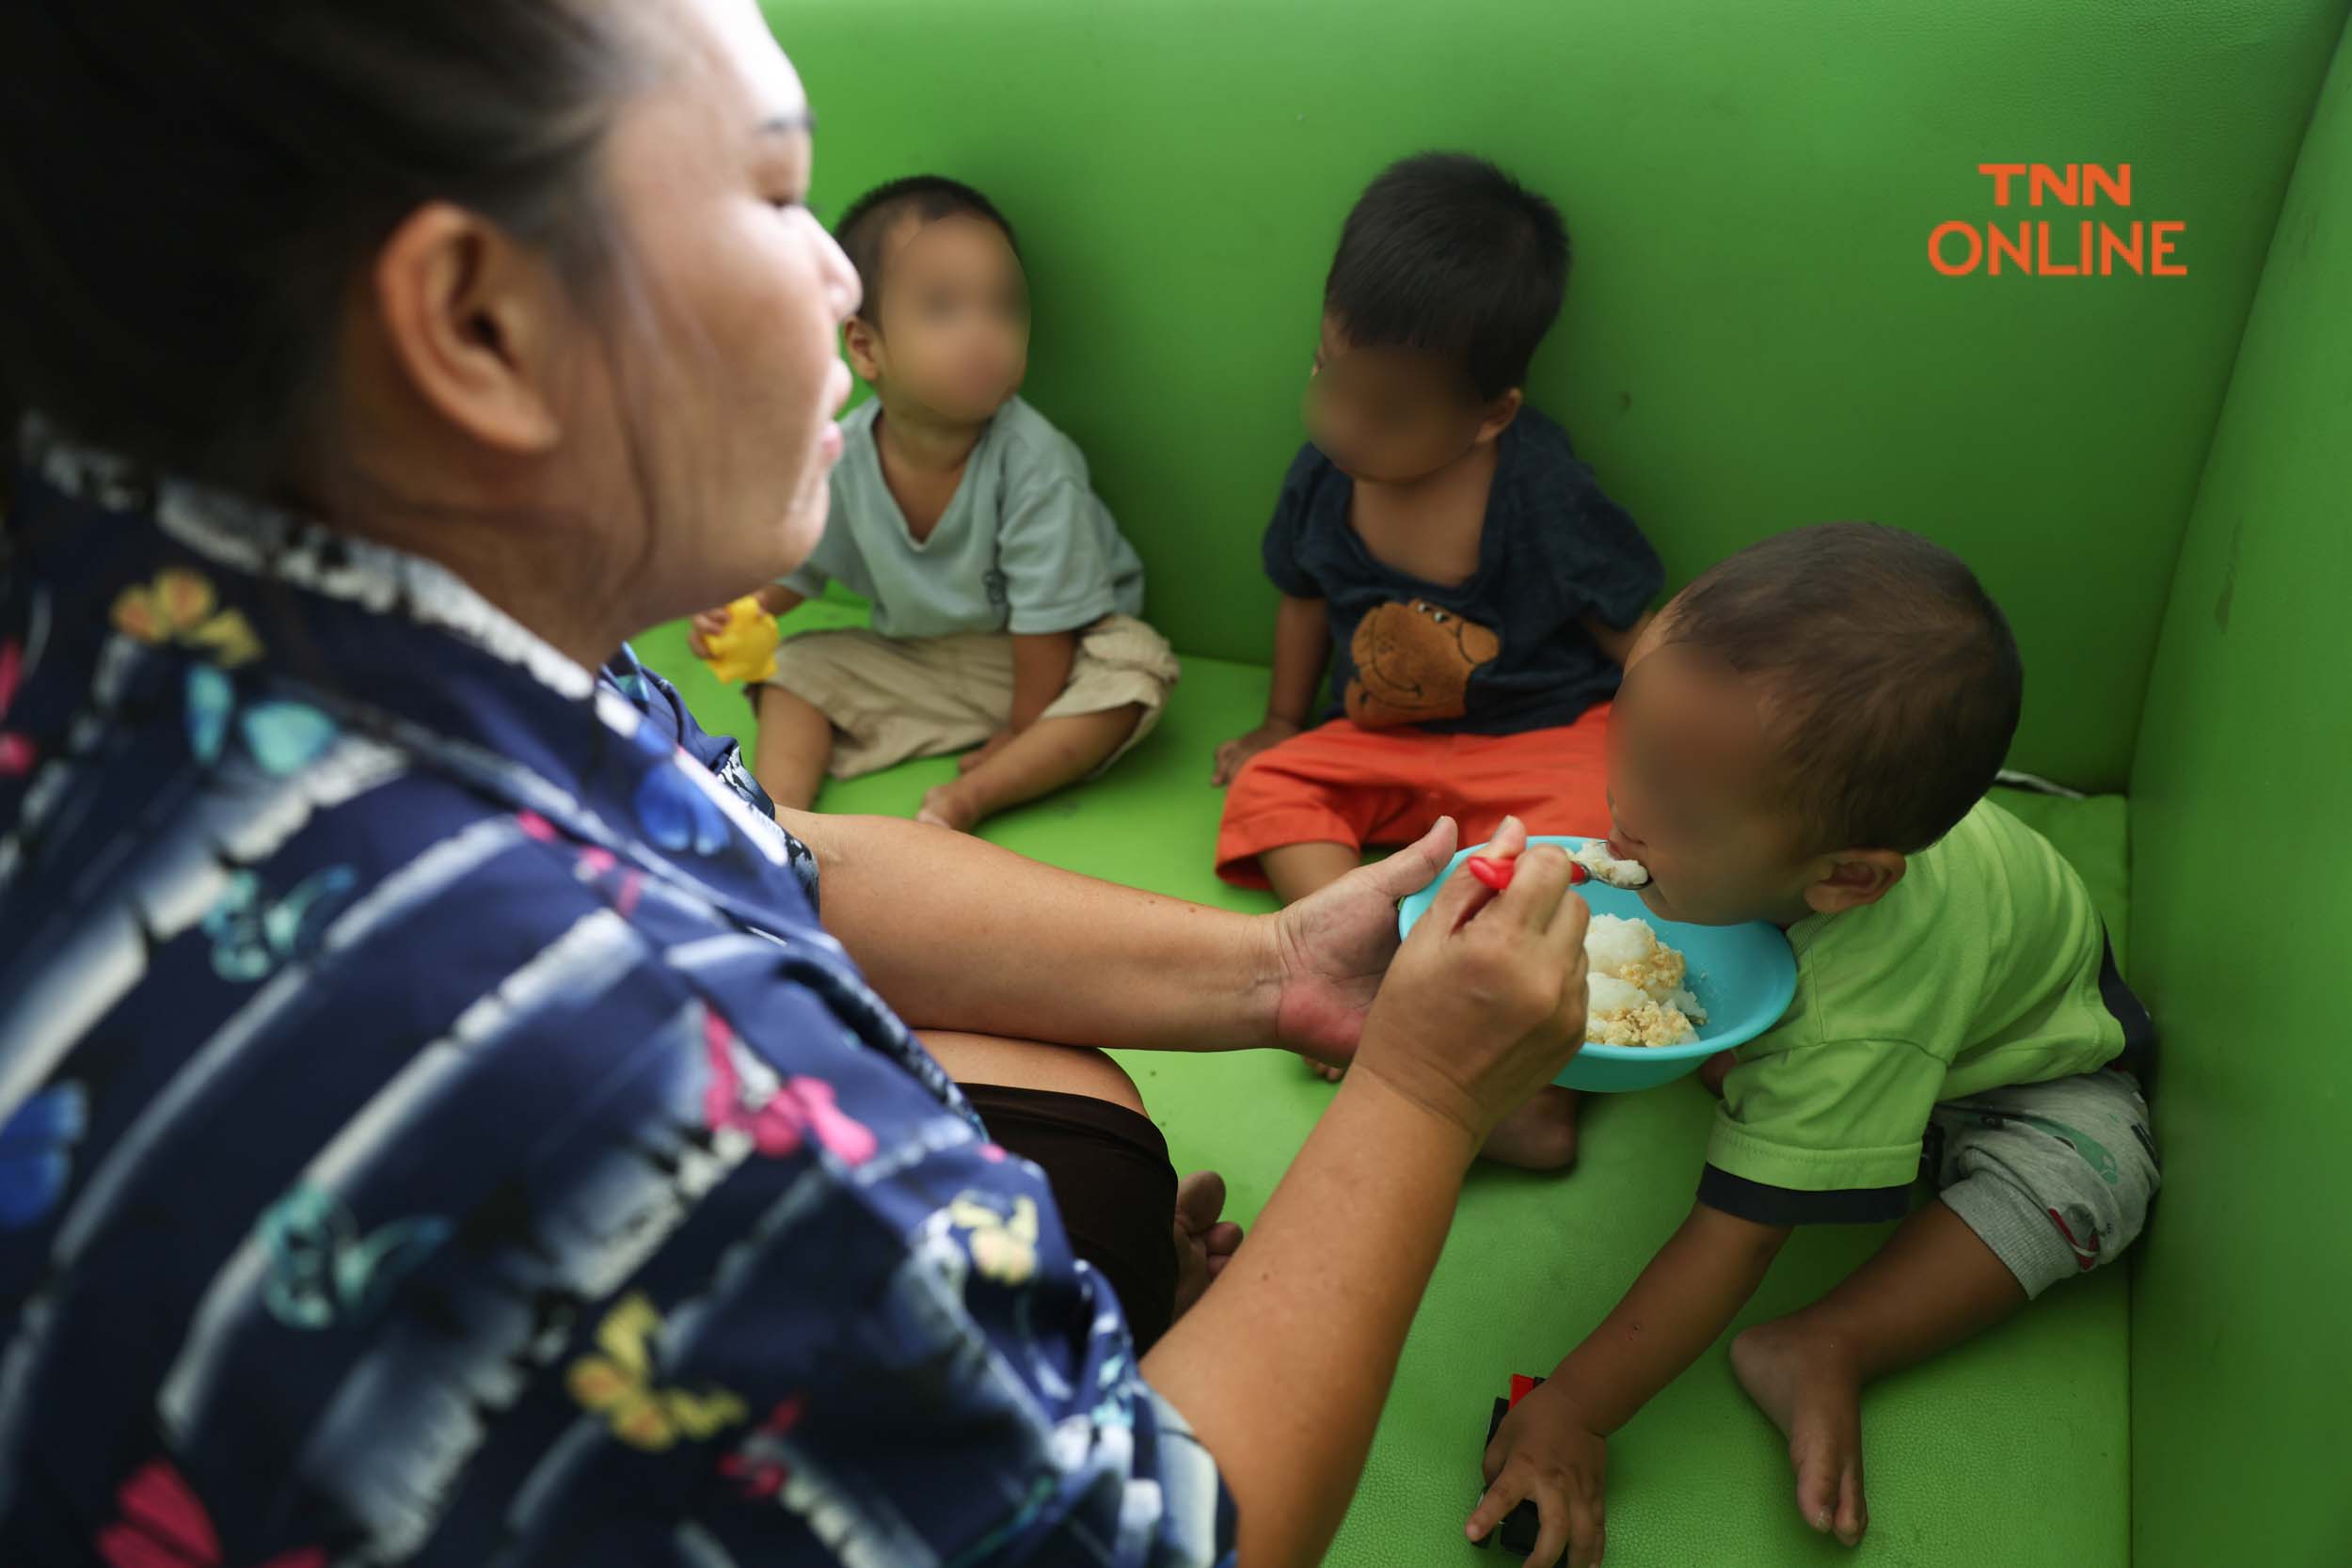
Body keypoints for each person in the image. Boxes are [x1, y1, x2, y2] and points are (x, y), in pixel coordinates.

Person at [0, 3, 1596, 1565]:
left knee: (1095, 1155)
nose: (843, 284)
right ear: (478, 323)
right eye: (777, 194)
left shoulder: (189, 565)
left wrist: (1282, 970)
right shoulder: (615, 1076)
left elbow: (760, 851)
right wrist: (1420, 1092)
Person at [1469, 525, 2159, 1568]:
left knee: (2104, 1179)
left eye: (1672, 798)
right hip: (1853, 973)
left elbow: (1735, 1236)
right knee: (1666, 963)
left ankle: (1829, 1341)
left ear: (1847, 877)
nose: (1620, 809)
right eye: (1627, 747)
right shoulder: (1749, 843)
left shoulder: (1856, 1008)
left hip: (2019, 1074)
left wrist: (1574, 1408)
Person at [1210, 151, 1661, 927]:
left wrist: (1672, 756)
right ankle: (1350, 938)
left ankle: (1480, 949)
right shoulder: (1322, 475)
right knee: (1268, 785)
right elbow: (1304, 601)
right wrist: (1283, 722)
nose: (1344, 424)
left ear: (1490, 414)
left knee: (1608, 813)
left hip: (1539, 738)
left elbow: (1634, 635)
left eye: (1387, 414)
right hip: (1381, 742)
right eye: (1328, 373)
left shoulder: (1544, 491)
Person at [690, 175, 1178, 833]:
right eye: (943, 309)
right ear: (866, 347)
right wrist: (737, 610)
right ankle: (775, 823)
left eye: (1005, 308)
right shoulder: (845, 457)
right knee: (794, 668)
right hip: (930, 656)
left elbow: (1045, 625)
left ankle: (968, 800)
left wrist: (1021, 729)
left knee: (1138, 673)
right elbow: (799, 565)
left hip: (1066, 652)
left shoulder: (1036, 461)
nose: (984, 334)